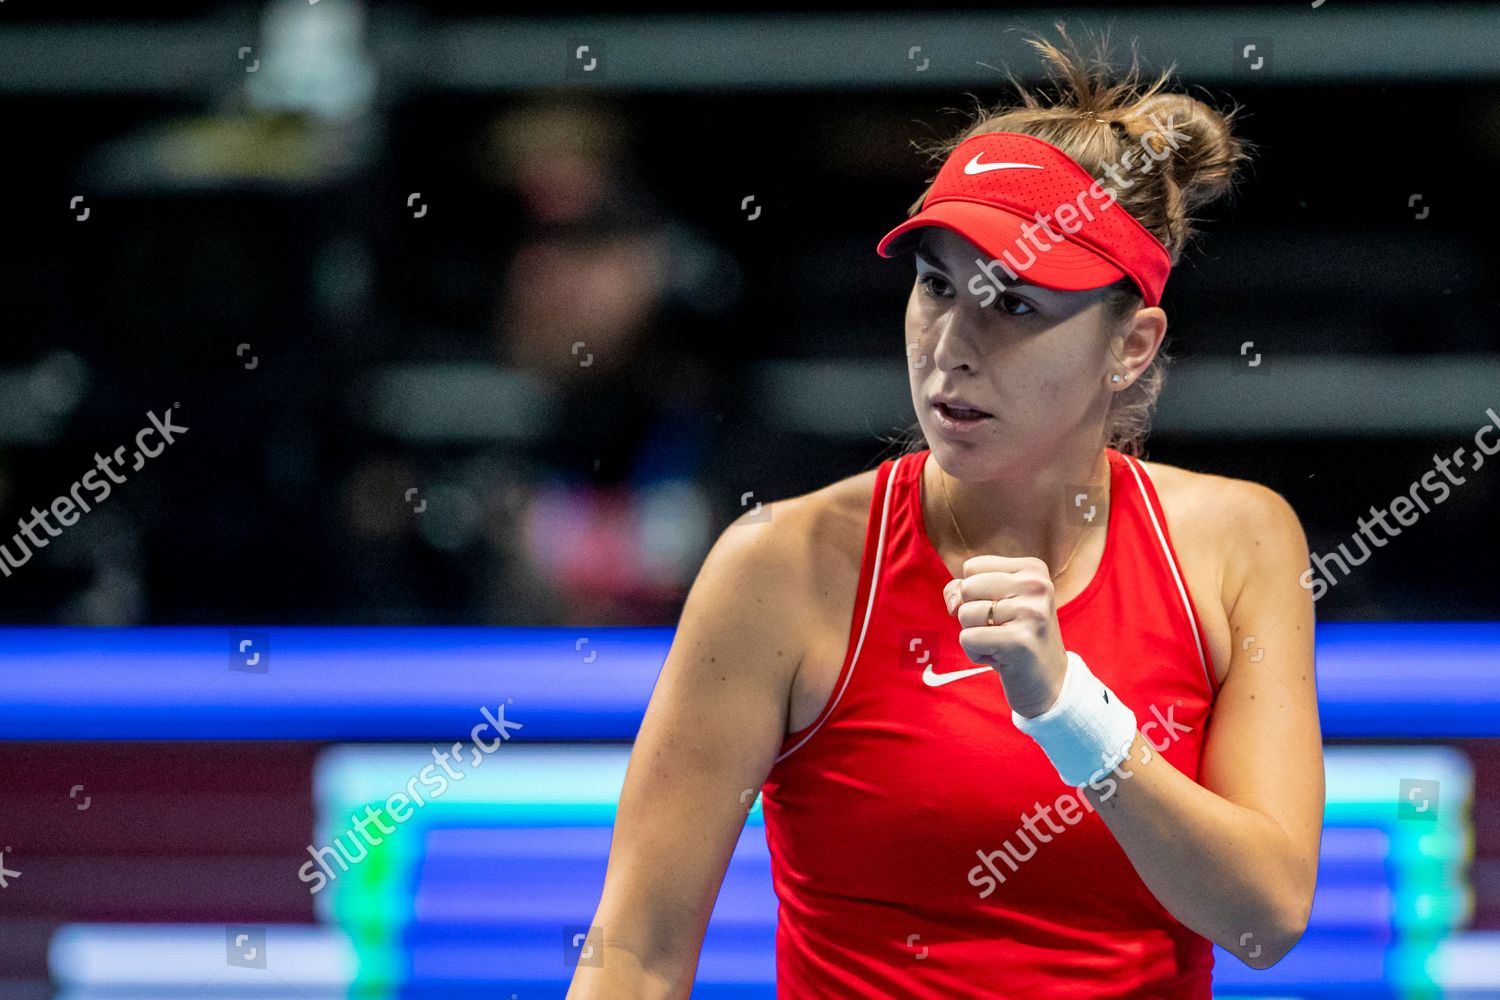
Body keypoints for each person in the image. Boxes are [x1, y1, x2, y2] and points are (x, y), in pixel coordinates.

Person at [568, 25, 1323, 999]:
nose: (952, 347)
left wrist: (1068, 710)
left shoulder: (1239, 542)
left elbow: (1266, 918)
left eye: (1014, 305)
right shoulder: (781, 565)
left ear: (1131, 347)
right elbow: (632, 952)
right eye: (936, 288)